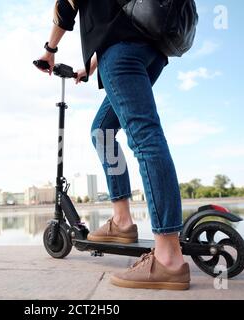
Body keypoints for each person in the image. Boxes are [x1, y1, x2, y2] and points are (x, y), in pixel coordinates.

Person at [36, 0, 190, 290]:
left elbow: (67, 7)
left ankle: (168, 258)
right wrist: (90, 66)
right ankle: (122, 221)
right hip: (151, 51)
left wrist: (50, 51)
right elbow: (120, 14)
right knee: (103, 131)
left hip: (122, 52)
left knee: (145, 138)